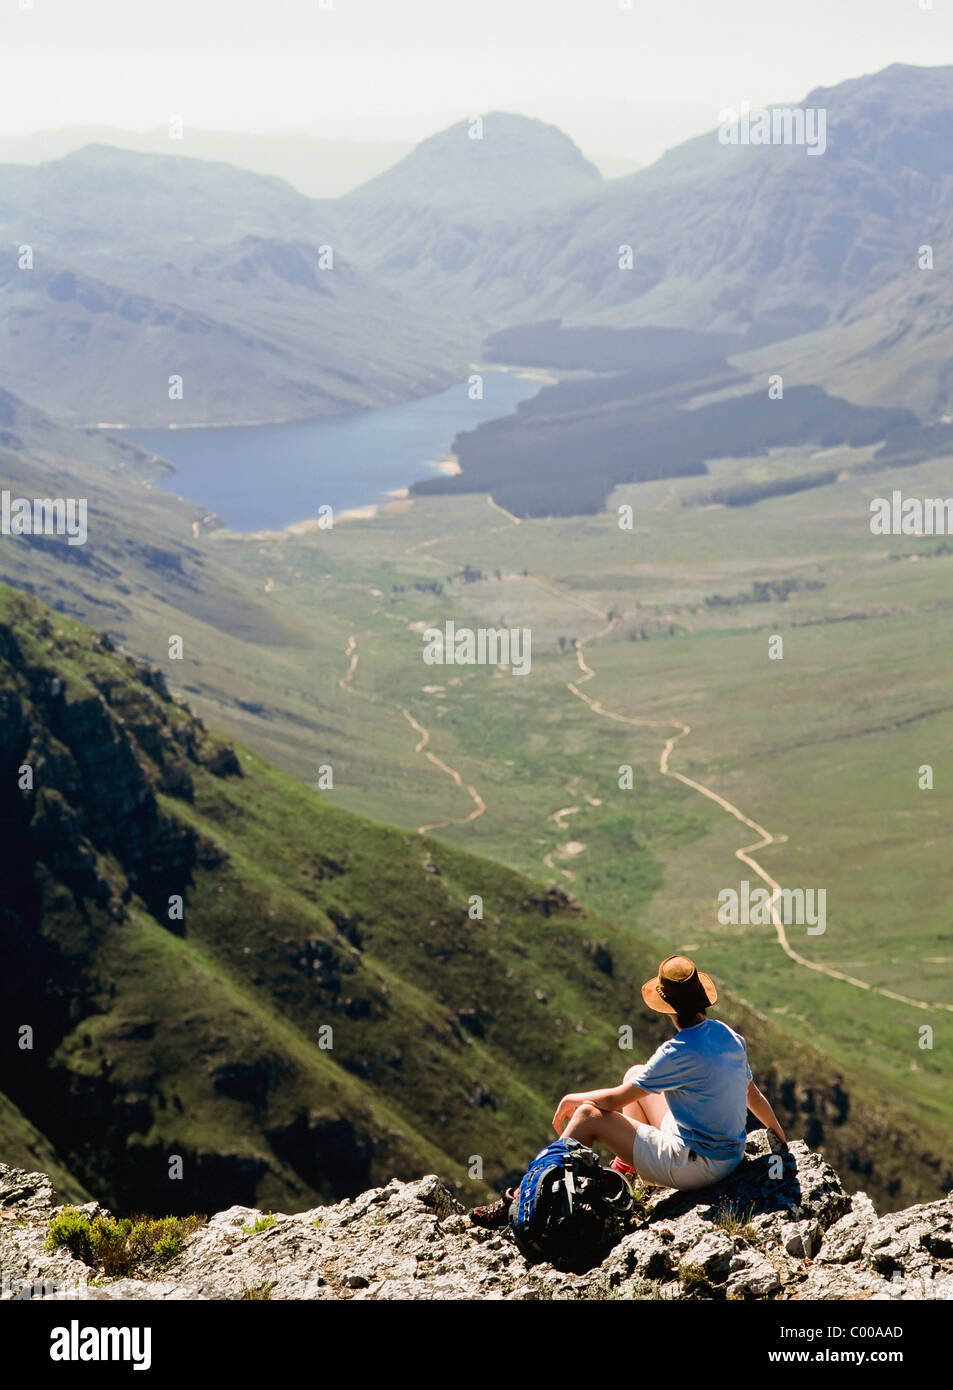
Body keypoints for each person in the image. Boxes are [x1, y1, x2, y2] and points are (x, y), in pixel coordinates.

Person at [551, 954, 786, 1192]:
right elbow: (752, 1095)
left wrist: (571, 1099)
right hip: (730, 1155)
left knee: (587, 1115)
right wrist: (780, 1139)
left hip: (697, 1167)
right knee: (635, 1073)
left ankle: (541, 1182)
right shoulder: (728, 1035)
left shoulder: (676, 1052)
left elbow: (614, 1101)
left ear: (668, 1008)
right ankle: (625, 1171)